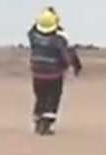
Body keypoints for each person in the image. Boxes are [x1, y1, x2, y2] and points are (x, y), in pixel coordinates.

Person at [27, 8, 82, 136]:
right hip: (54, 76)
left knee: (40, 98)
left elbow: (32, 30)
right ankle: (46, 126)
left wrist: (41, 20)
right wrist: (73, 66)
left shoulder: (33, 37)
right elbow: (67, 56)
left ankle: (37, 122)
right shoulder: (59, 40)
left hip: (37, 75)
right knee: (52, 99)